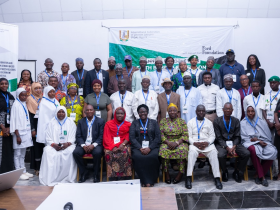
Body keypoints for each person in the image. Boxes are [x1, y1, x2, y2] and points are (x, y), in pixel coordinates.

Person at [185, 105, 222, 190]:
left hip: (207, 145)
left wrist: (207, 142)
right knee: (191, 153)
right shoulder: (190, 122)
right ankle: (188, 178)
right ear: (196, 112)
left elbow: (212, 136)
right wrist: (194, 143)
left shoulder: (209, 122)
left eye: (202, 111)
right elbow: (188, 136)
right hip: (195, 144)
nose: (201, 113)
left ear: (205, 112)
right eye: (199, 111)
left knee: (213, 153)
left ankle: (217, 178)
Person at [39, 106, 77, 186]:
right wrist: (54, 145)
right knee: (47, 151)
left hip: (67, 145)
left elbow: (73, 137)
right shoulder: (51, 122)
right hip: (54, 146)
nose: (61, 114)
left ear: (65, 113)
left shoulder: (70, 122)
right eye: (59, 112)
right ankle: (50, 178)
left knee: (70, 151)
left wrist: (67, 144)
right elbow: (48, 137)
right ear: (56, 113)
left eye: (62, 112)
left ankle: (67, 178)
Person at [214, 103, 250, 183]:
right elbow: (218, 137)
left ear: (232, 110)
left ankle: (237, 171)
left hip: (234, 143)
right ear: (223, 110)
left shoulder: (236, 121)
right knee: (220, 155)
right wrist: (227, 147)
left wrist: (233, 146)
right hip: (221, 143)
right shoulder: (217, 121)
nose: (227, 110)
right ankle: (225, 171)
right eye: (226, 109)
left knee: (246, 153)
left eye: (229, 109)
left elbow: (237, 136)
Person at [241, 106, 277, 186]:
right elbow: (244, 138)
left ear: (255, 112)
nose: (250, 113)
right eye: (248, 111)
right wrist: (256, 141)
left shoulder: (262, 122)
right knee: (253, 150)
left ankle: (258, 174)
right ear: (246, 112)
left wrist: (260, 141)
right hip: (249, 142)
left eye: (252, 111)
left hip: (262, 141)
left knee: (273, 151)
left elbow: (267, 136)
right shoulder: (243, 123)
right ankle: (262, 177)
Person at [129, 104, 161, 187]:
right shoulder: (134, 123)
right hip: (138, 147)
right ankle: (144, 180)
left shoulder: (154, 122)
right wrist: (140, 148)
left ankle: (151, 180)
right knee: (138, 157)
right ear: (138, 113)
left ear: (147, 112)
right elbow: (132, 138)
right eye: (140, 112)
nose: (142, 113)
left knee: (153, 156)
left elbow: (158, 137)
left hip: (152, 147)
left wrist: (150, 148)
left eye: (144, 111)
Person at [73, 104, 105, 183]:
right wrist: (83, 145)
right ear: (85, 112)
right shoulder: (81, 122)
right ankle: (84, 172)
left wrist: (93, 145)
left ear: (94, 111)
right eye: (87, 110)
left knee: (97, 153)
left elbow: (101, 136)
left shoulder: (100, 121)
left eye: (91, 110)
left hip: (96, 144)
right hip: (84, 144)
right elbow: (78, 135)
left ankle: (96, 174)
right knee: (76, 153)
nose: (89, 111)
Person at [159, 103, 188, 184]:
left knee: (183, 150)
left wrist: (177, 143)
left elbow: (185, 135)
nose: (172, 112)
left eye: (174, 110)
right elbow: (160, 134)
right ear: (167, 112)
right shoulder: (163, 121)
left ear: (177, 112)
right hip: (166, 142)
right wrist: (168, 142)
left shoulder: (182, 121)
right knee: (163, 150)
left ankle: (180, 173)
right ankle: (166, 173)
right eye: (170, 111)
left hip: (179, 142)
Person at [10, 88, 33, 180]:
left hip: (25, 131)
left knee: (23, 154)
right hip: (19, 133)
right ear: (18, 95)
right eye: (22, 95)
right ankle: (18, 172)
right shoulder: (16, 105)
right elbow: (14, 121)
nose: (24, 97)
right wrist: (17, 135)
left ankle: (23, 171)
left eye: (25, 95)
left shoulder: (23, 103)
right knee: (17, 154)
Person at [103, 107, 132, 180]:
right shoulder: (108, 124)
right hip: (110, 144)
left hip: (124, 143)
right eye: (118, 113)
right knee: (109, 153)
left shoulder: (128, 124)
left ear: (124, 115)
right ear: (115, 114)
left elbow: (129, 135)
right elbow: (107, 137)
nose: (119, 115)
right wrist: (113, 147)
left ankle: (125, 175)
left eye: (121, 114)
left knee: (125, 152)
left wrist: (123, 144)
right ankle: (112, 176)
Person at [26, 82, 43, 175]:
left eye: (40, 88)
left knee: (42, 146)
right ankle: (36, 168)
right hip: (34, 124)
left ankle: (42, 167)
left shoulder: (43, 98)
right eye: (36, 88)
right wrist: (32, 129)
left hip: (42, 124)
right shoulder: (29, 99)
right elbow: (29, 116)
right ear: (32, 89)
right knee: (36, 147)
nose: (38, 90)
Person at [0, 78, 15, 174]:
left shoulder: (10, 96)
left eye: (6, 84)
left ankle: (8, 169)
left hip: (10, 125)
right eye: (2, 84)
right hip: (1, 125)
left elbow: (14, 112)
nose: (4, 85)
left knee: (8, 147)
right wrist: (3, 127)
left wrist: (9, 128)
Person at [274, 99, 280, 180]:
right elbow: (275, 114)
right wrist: (278, 126)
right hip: (279, 130)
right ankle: (279, 173)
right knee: (279, 153)